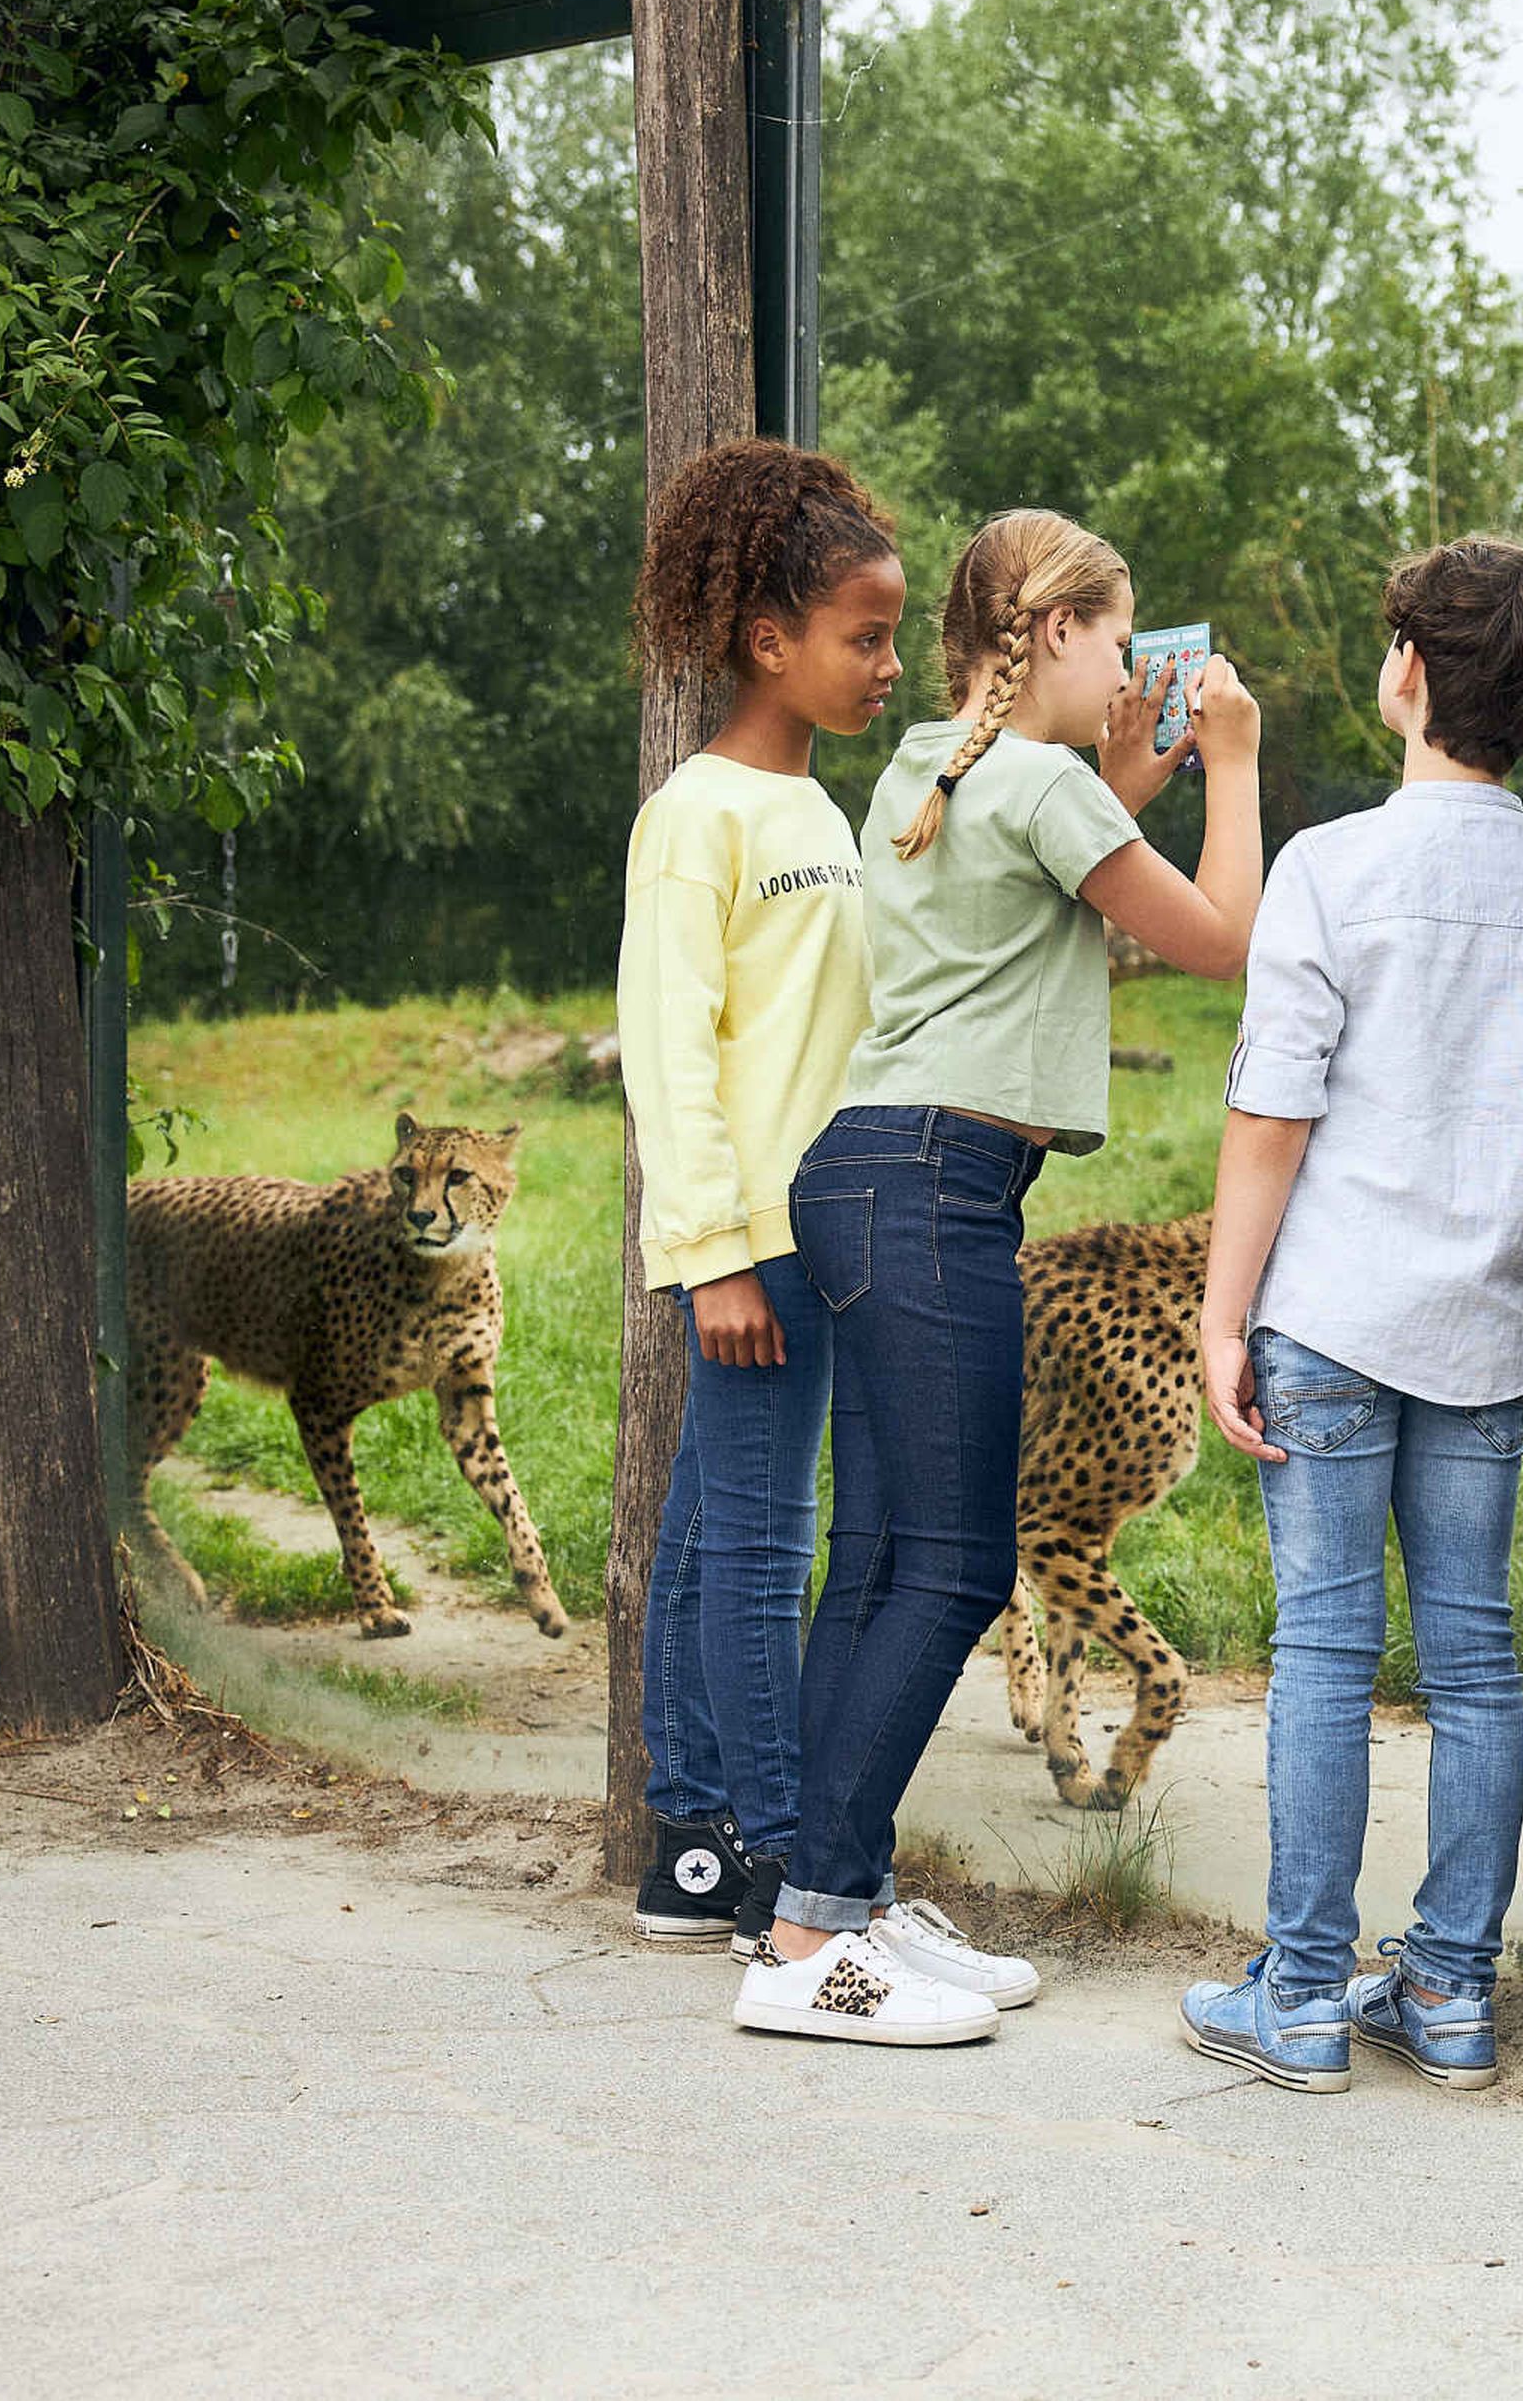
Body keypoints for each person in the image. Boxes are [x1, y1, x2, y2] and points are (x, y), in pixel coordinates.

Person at [736, 508, 1267, 2046]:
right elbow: (1220, 936)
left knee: (888, 1556)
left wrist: (1132, 770)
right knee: (959, 1565)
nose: (1130, 660)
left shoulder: (934, 764)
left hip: (867, 1177)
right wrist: (1227, 759)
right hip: (934, 1187)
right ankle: (812, 1944)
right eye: (1117, 633)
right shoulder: (1031, 781)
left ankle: (828, 1901)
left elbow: (1046, 834)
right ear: (1050, 633)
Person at [1178, 536, 1523, 2093]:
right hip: (1479, 1330)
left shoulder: (1330, 867)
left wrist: (1224, 1320)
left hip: (1330, 1320)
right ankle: (1455, 1995)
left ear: (1409, 672)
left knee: (1327, 1651)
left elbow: (1272, 1114)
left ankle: (1298, 1996)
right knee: (1476, 1660)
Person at [613, 440, 902, 1957]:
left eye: (895, 635)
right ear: (766, 639)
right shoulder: (701, 815)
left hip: (821, 1235)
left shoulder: (825, 815)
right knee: (763, 1542)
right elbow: (673, 1059)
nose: (887, 664)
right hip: (758, 1251)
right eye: (864, 637)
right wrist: (719, 1258)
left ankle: (693, 1845)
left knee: (710, 1530)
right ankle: (782, 1857)